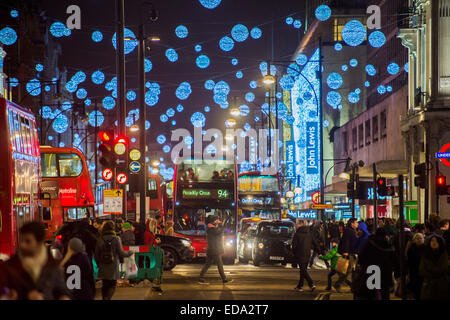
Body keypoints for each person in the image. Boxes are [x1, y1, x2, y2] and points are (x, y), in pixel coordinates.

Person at [0, 222, 71, 300]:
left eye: (28, 241)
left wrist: (64, 296)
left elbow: (62, 290)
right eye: (21, 240)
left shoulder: (52, 265)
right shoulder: (10, 266)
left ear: (39, 242)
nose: (22, 245)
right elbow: (3, 289)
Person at [353, 228, 395, 300]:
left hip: (371, 272)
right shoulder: (388, 245)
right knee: (384, 293)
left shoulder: (369, 243)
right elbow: (394, 260)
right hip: (385, 274)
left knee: (371, 294)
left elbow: (361, 258)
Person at [94, 221, 133, 300]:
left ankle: (104, 297)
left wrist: (99, 264)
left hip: (103, 265)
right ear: (113, 228)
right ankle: (108, 298)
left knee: (105, 284)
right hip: (113, 265)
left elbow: (96, 255)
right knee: (112, 284)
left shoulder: (100, 239)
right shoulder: (116, 239)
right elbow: (121, 253)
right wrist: (129, 253)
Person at [199, 215, 232, 284]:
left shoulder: (211, 228)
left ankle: (201, 277)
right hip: (214, 250)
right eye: (216, 220)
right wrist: (221, 225)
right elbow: (219, 232)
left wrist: (219, 225)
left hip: (211, 249)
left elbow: (219, 231)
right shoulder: (211, 229)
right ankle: (224, 279)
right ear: (213, 221)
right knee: (220, 264)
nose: (218, 221)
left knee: (208, 264)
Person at [419, 234, 449, 300]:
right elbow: (422, 270)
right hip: (428, 286)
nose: (434, 242)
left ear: (440, 243)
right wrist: (434, 273)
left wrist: (430, 269)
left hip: (442, 285)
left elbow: (444, 268)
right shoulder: (425, 255)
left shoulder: (444, 254)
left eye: (436, 241)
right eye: (432, 241)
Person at [335, 218, 358, 291]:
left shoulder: (351, 230)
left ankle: (353, 287)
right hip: (349, 253)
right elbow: (346, 242)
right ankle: (338, 284)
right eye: (356, 222)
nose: (357, 224)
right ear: (352, 223)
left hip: (352, 253)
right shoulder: (348, 231)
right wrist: (345, 252)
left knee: (353, 271)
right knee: (347, 270)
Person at [292, 219, 315, 292]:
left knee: (303, 270)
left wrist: (294, 253)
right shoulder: (309, 233)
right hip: (307, 254)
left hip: (300, 254)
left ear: (300, 224)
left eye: (297, 224)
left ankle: (311, 284)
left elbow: (294, 246)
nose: (296, 225)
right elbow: (314, 242)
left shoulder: (297, 234)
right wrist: (319, 251)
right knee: (302, 271)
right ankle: (300, 286)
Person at [406, 232, 425, 300]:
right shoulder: (411, 248)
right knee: (415, 290)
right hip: (414, 272)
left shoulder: (426, 248)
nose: (419, 239)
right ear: (414, 240)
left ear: (423, 239)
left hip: (423, 272)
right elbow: (408, 260)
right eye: (417, 238)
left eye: (421, 238)